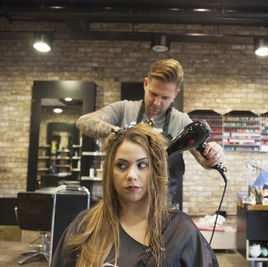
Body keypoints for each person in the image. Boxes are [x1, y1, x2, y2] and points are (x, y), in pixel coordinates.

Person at [50, 123, 219, 266]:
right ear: (110, 171)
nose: (131, 175)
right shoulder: (86, 227)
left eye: (142, 165)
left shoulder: (180, 231)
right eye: (122, 166)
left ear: (155, 171)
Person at [76, 58, 224, 206]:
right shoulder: (124, 109)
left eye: (165, 97)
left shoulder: (182, 122)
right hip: (122, 207)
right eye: (153, 94)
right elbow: (83, 121)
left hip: (163, 210)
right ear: (146, 84)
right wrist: (118, 132)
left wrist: (214, 155)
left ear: (176, 94)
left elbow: (204, 161)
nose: (157, 102)